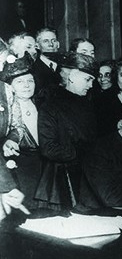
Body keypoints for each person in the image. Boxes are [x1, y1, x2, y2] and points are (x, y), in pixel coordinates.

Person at [36, 52, 98, 211]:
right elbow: (48, 148)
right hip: (61, 182)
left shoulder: (89, 105)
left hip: (89, 178)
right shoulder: (50, 105)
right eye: (88, 79)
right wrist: (82, 151)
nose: (91, 85)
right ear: (72, 75)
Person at [0, 52, 42, 209]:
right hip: (17, 174)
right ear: (9, 87)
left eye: (30, 81)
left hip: (42, 174)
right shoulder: (7, 112)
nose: (27, 85)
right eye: (20, 81)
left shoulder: (44, 106)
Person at [33, 28, 61, 96]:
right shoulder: (33, 68)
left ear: (58, 44)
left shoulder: (64, 65)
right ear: (37, 46)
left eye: (53, 40)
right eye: (45, 41)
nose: (51, 44)